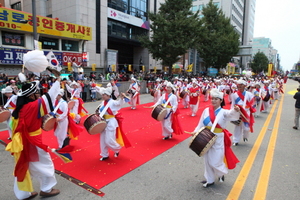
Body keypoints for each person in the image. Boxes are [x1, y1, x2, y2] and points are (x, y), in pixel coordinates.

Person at [5, 78, 61, 199]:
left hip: (21, 142)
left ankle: (23, 194)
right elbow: (50, 97)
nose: (38, 95)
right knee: (46, 164)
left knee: (23, 165)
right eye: (36, 93)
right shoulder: (33, 106)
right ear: (31, 96)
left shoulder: (19, 109)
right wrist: (58, 80)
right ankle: (47, 189)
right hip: (33, 142)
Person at [192, 88, 240, 188]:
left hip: (218, 138)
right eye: (212, 98)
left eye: (216, 99)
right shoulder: (206, 110)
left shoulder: (224, 112)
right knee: (207, 160)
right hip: (205, 137)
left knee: (215, 161)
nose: (213, 101)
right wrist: (195, 131)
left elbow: (232, 115)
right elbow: (200, 124)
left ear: (221, 100)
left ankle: (221, 173)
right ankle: (209, 180)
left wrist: (235, 110)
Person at [97, 87, 131, 161]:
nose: (102, 96)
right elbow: (100, 110)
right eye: (102, 95)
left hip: (110, 122)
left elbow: (119, 103)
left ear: (109, 95)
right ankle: (104, 154)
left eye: (104, 95)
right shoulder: (103, 102)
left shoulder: (112, 102)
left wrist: (121, 98)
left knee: (109, 140)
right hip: (103, 122)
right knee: (102, 140)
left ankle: (117, 149)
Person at [231, 79, 255, 145]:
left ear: (244, 86)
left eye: (241, 85)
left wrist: (251, 108)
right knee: (237, 127)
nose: (239, 86)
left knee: (246, 128)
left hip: (246, 113)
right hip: (238, 112)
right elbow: (232, 104)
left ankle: (245, 136)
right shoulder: (234, 95)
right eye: (238, 85)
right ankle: (235, 140)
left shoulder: (249, 94)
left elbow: (252, 103)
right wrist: (232, 112)